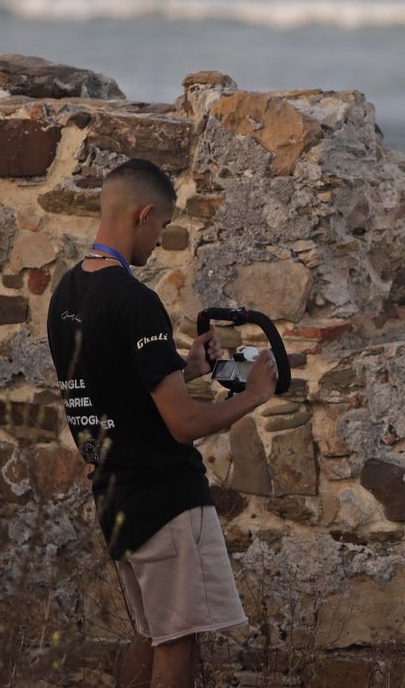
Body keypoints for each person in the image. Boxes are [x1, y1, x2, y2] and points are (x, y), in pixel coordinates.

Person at [47, 158, 278, 687]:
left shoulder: (66, 293)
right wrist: (255, 395)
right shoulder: (135, 300)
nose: (159, 240)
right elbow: (184, 424)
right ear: (144, 214)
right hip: (163, 495)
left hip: (114, 492)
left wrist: (186, 370)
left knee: (151, 632)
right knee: (176, 640)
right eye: (164, 226)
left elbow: (112, 385)